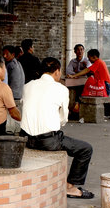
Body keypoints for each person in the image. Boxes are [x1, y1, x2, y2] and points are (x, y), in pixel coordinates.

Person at [20, 57, 94, 199]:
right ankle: (71, 187)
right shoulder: (61, 89)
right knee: (85, 149)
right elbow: (63, 119)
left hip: (26, 138)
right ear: (57, 71)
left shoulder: (27, 85)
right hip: (47, 141)